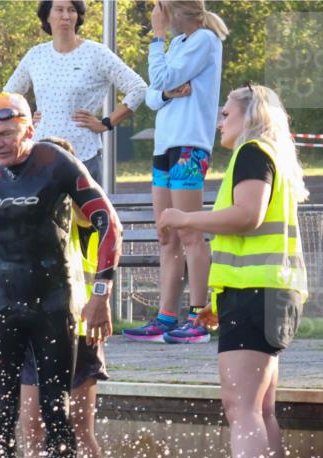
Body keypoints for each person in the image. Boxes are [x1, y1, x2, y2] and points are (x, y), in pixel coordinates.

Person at [0, 92, 121, 458]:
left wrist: (101, 294)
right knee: (2, 410)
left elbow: (109, 223)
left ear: (30, 127)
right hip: (0, 307)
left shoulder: (55, 164)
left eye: (7, 132)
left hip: (54, 305)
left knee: (56, 408)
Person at [157, 84, 308, 458]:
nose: (220, 121)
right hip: (268, 292)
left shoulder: (252, 152)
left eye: (226, 114)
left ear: (251, 116)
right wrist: (216, 301)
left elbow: (247, 215)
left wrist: (187, 216)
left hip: (256, 292)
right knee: (260, 410)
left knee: (240, 409)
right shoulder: (272, 154)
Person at [124, 0, 228, 344]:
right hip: (164, 146)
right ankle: (167, 317)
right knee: (167, 233)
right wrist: (166, 92)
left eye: (159, 9)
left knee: (189, 232)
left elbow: (162, 78)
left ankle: (201, 315)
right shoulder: (180, 43)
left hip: (189, 146)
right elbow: (154, 95)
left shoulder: (204, 40)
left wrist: (156, 40)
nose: (156, 16)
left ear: (173, 10)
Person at [15, 137, 109, 458]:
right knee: (32, 426)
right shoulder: (20, 205)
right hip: (28, 326)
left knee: (80, 427)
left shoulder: (79, 207)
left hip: (76, 326)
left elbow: (95, 221)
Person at [0, 0, 147, 183]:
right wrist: (24, 119)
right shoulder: (36, 55)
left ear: (78, 16)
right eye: (59, 10)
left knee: (87, 212)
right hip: (40, 157)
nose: (66, 16)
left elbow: (138, 88)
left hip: (84, 156)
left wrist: (106, 123)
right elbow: (6, 96)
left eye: (72, 10)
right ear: (47, 16)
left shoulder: (97, 53)